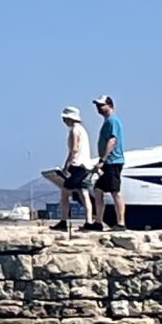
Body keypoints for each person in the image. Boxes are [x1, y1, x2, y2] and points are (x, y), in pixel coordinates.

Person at [55, 108, 95, 230]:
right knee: (84, 193)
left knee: (65, 192)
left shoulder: (74, 130)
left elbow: (74, 149)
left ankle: (63, 221)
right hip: (86, 165)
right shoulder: (82, 130)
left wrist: (66, 164)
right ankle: (89, 222)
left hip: (77, 165)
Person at [93, 95, 127, 230]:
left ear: (110, 105)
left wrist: (103, 159)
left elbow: (112, 140)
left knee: (115, 191)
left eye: (101, 105)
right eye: (98, 106)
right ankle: (98, 222)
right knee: (98, 190)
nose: (99, 108)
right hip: (108, 162)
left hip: (113, 161)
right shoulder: (108, 121)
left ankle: (121, 222)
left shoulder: (113, 121)